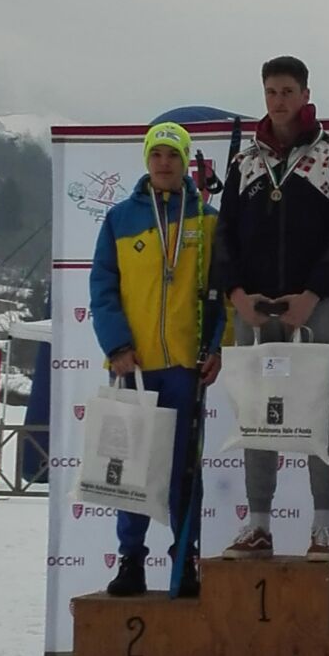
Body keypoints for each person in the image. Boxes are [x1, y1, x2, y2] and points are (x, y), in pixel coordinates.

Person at [214, 55, 329, 559]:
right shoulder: (243, 163)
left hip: (313, 306)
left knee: (322, 414)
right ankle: (258, 523)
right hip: (254, 308)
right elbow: (224, 234)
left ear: (305, 95)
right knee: (257, 413)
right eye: (271, 92)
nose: (278, 101)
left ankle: (323, 527)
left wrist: (314, 292)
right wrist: (237, 294)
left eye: (287, 92)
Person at [89, 121, 223, 597]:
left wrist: (217, 346)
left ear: (186, 162)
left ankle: (185, 559)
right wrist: (117, 346)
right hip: (136, 365)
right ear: (146, 160)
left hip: (186, 366)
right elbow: (103, 287)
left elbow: (222, 293)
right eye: (157, 154)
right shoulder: (120, 219)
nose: (164, 163)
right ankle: (131, 561)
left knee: (184, 469)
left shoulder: (207, 220)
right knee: (131, 467)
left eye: (173, 155)